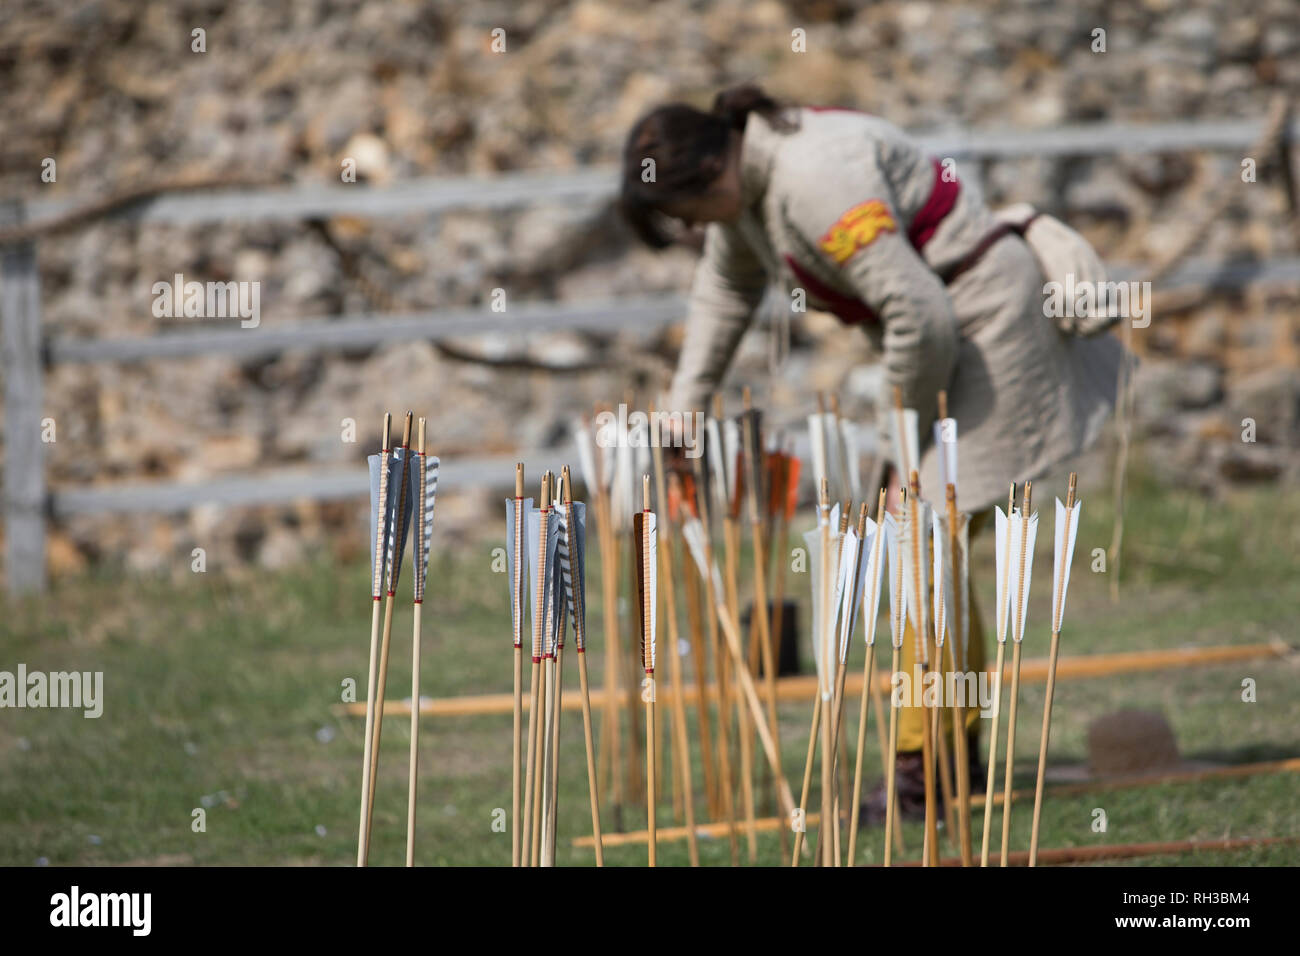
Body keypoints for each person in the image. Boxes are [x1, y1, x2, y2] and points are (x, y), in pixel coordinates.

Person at [619, 84, 1123, 820]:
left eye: (680, 214)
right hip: (943, 334)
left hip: (983, 328)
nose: (687, 229)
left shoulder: (814, 180)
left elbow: (921, 318)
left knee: (920, 545)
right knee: (930, 551)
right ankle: (956, 755)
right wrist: (680, 423)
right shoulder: (748, 182)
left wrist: (898, 449)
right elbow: (724, 293)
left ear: (704, 174)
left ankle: (927, 775)